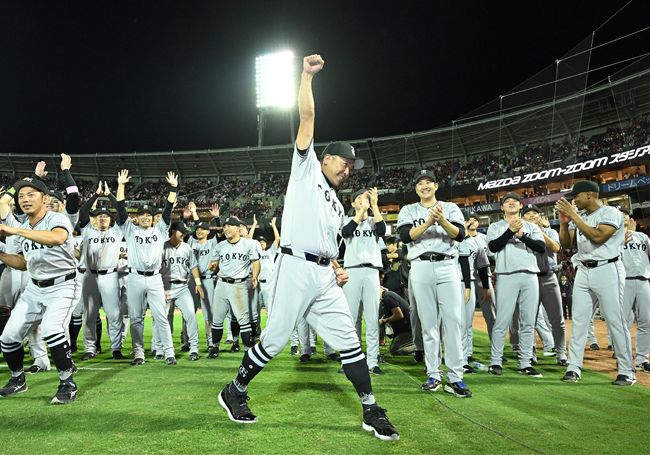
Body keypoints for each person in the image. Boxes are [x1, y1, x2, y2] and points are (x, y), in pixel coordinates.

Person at [217, 54, 398, 442]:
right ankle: (235, 390)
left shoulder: (334, 201)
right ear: (326, 157)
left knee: (349, 340)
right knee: (277, 339)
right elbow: (308, 119)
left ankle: (370, 408)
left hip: (322, 275)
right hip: (294, 268)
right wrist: (306, 77)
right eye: (344, 162)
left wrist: (335, 266)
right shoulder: (306, 171)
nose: (348, 169)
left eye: (353, 167)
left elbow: (329, 243)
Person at [0, 177, 80, 404]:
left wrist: (14, 229)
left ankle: (68, 383)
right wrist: (1, 254)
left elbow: (57, 237)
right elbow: (23, 262)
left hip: (63, 284)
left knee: (52, 329)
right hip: (34, 288)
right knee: (8, 337)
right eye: (21, 196)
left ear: (45, 199)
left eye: (31, 195)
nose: (25, 200)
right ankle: (18, 379)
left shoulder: (56, 218)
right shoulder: (23, 227)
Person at [397, 169, 470, 397]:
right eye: (420, 183)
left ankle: (456, 377)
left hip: (447, 265)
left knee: (454, 322)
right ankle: (433, 374)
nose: (424, 186)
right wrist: (430, 221)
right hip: (420, 266)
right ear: (416, 189)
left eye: (429, 182)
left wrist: (442, 220)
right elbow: (406, 236)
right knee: (428, 324)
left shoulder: (450, 207)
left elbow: (460, 235)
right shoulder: (408, 210)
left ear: (436, 186)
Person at [555, 180, 635, 385]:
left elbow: (598, 236)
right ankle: (574, 367)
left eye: (577, 197)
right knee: (580, 320)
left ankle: (627, 371)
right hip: (583, 270)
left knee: (615, 320)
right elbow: (565, 244)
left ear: (589, 195)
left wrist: (573, 216)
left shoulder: (610, 213)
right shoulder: (579, 216)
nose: (575, 201)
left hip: (608, 269)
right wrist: (564, 222)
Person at [115, 169, 179, 366]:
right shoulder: (129, 229)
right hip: (134, 277)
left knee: (161, 316)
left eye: (148, 215)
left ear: (153, 218)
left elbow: (168, 208)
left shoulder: (160, 229)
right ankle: (139, 354)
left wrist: (173, 188)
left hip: (154, 278)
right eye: (141, 214)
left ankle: (169, 352)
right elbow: (120, 207)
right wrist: (121, 185)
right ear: (137, 218)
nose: (144, 217)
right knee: (136, 318)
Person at [486, 192, 545, 378]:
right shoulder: (495, 227)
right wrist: (510, 231)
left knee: (528, 322)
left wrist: (522, 235)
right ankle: (495, 361)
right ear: (501, 207)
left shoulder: (531, 226)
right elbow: (493, 247)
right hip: (506, 275)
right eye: (506, 202)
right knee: (502, 320)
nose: (510, 203)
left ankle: (525, 362)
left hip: (530, 274)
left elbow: (541, 248)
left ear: (521, 206)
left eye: (514, 201)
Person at [77, 182, 124, 360]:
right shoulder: (87, 230)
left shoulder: (117, 231)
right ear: (94, 219)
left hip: (110, 276)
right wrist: (96, 196)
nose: (102, 218)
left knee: (113, 314)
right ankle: (90, 348)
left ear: (111, 219)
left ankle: (116, 349)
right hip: (89, 276)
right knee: (89, 314)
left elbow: (121, 210)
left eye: (106, 215)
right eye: (98, 216)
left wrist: (110, 195)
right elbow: (82, 212)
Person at [341, 188, 386, 375]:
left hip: (371, 271)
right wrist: (360, 212)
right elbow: (346, 232)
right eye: (359, 199)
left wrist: (374, 206)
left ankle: (373, 361)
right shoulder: (346, 220)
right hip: (352, 271)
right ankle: (350, 361)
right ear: (353, 204)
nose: (363, 201)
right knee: (351, 319)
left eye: (365, 198)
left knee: (372, 318)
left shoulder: (375, 221)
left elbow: (382, 231)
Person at [521, 204, 567, 366]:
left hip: (549, 277)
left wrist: (540, 232)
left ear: (540, 216)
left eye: (535, 213)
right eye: (528, 213)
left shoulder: (550, 232)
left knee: (557, 319)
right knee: (529, 320)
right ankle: (530, 354)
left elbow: (555, 248)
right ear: (522, 217)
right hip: (529, 278)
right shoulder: (521, 234)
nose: (532, 215)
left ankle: (561, 354)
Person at [208, 216, 260, 354]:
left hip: (238, 284)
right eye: (224, 227)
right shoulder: (220, 246)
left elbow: (256, 262)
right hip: (221, 283)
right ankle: (214, 346)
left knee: (243, 319)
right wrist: (212, 266)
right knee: (217, 318)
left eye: (229, 226)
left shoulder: (248, 244)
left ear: (238, 228)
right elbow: (214, 263)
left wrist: (254, 276)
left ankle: (248, 348)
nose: (226, 229)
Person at [161, 222, 204, 360]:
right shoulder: (162, 247)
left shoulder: (187, 248)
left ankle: (194, 349)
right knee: (165, 319)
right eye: (181, 231)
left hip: (182, 287)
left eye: (185, 232)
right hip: (165, 287)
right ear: (173, 231)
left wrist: (198, 283)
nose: (184, 234)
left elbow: (194, 267)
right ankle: (165, 350)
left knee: (190, 315)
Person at [619, 208, 650, 372]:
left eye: (625, 215)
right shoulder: (612, 237)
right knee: (621, 323)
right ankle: (622, 359)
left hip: (644, 280)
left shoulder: (643, 237)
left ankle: (641, 359)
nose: (623, 217)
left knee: (647, 322)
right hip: (623, 282)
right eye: (620, 215)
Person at [378, 286, 414, 356]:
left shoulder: (388, 297)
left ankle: (420, 347)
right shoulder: (387, 297)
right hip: (405, 329)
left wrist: (384, 321)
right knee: (395, 349)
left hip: (407, 329)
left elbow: (399, 315)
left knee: (395, 350)